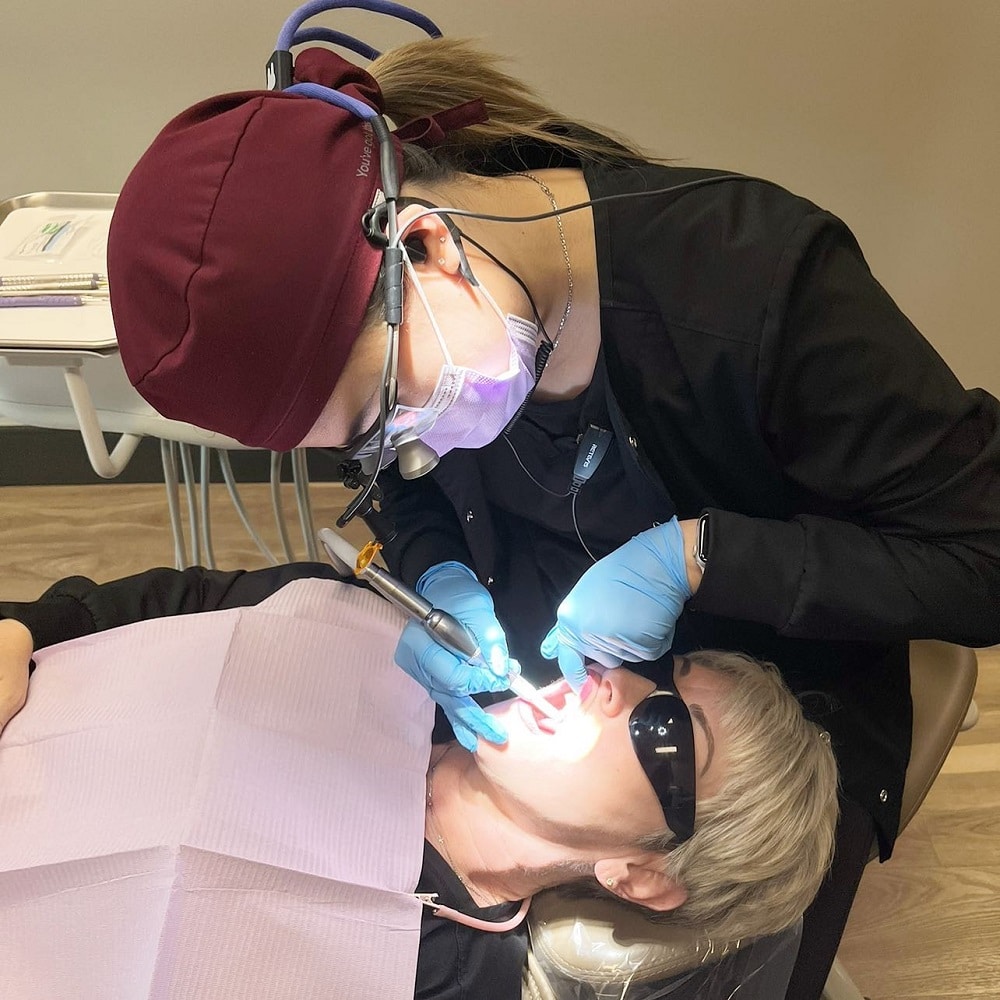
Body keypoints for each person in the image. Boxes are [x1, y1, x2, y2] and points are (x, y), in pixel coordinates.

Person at [103, 9, 1000, 995]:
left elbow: (984, 561)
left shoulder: (750, 288)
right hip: (528, 681)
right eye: (366, 443)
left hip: (761, 728)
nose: (410, 450)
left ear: (426, 248)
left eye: (388, 407)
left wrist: (700, 556)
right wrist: (436, 567)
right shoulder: (432, 359)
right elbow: (410, 492)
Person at [1, 569, 837, 1000]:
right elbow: (174, 601)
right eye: (660, 675)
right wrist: (21, 632)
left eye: (669, 731)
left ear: (645, 873)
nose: (618, 685)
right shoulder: (377, 633)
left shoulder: (438, 978)